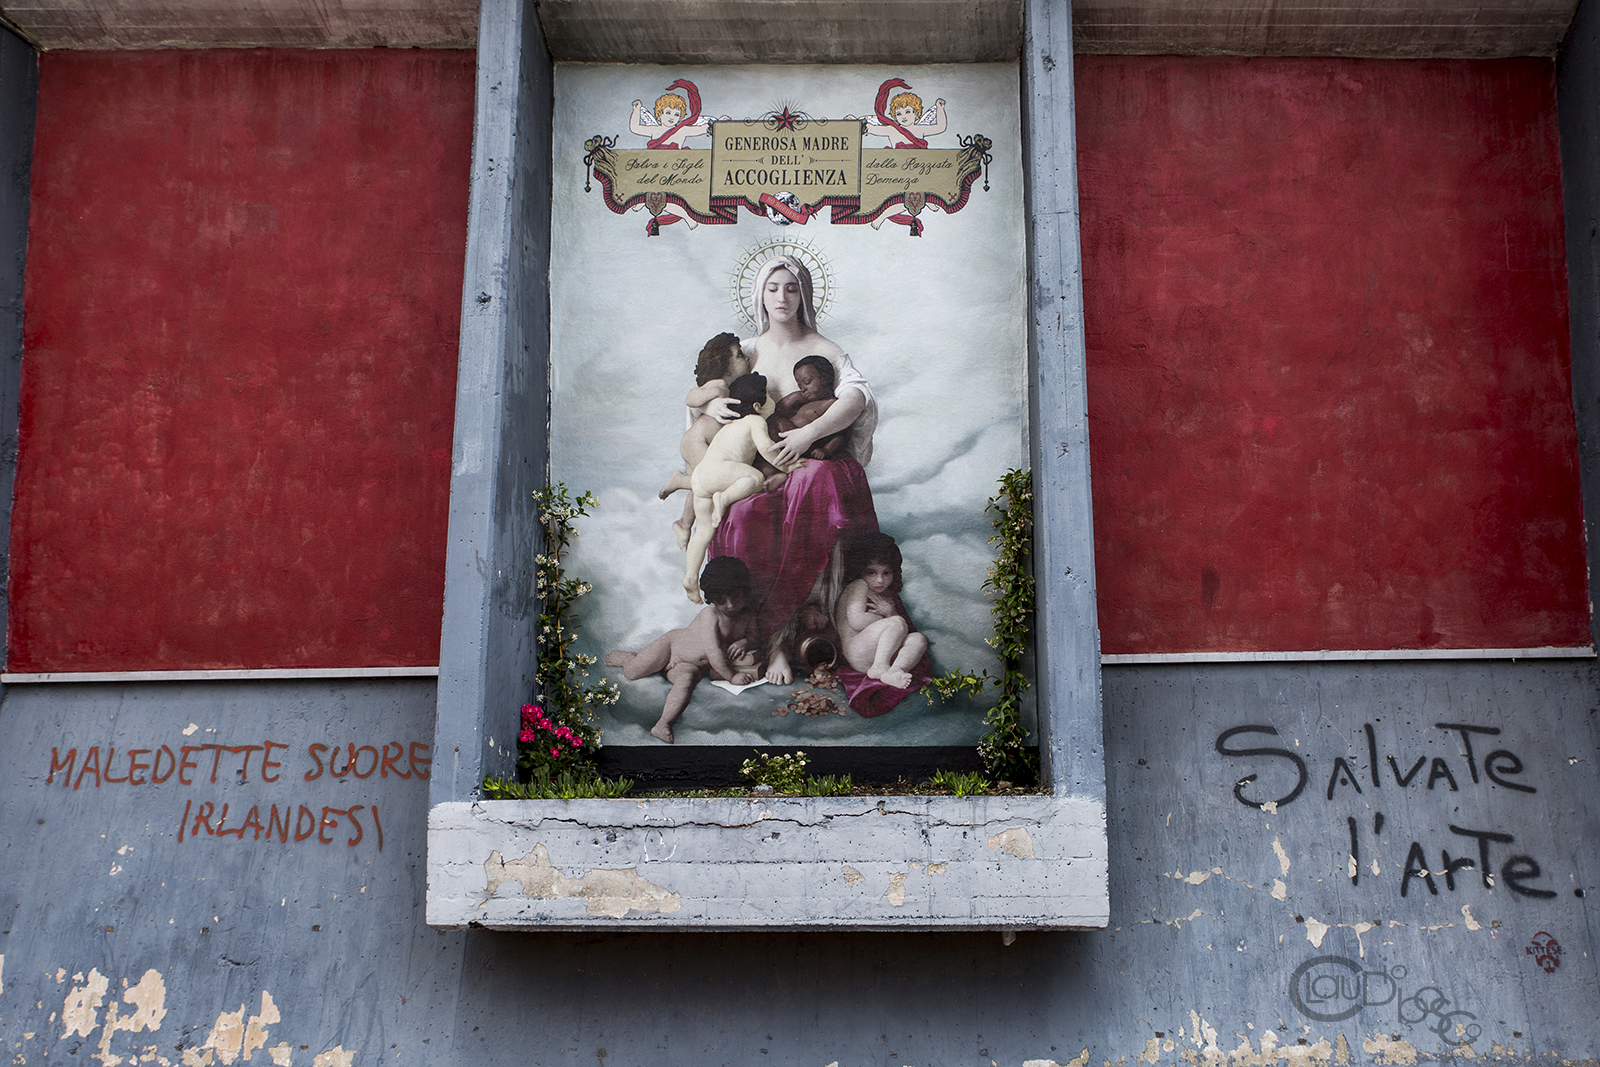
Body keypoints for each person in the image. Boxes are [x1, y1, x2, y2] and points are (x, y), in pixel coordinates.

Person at [703, 256, 880, 683]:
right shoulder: (744, 351)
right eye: (773, 288)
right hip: (760, 468)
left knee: (811, 481)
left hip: (818, 464)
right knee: (745, 513)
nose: (782, 297)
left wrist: (807, 435)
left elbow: (857, 398)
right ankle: (773, 642)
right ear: (760, 296)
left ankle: (799, 632)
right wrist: (711, 404)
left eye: (791, 288)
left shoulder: (827, 350)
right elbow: (705, 391)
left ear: (804, 295)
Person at [604, 557, 762, 744]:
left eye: (735, 597)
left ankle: (662, 725)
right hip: (671, 648)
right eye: (721, 600)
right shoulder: (710, 616)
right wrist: (732, 677)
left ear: (744, 591)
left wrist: (744, 642)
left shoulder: (748, 614)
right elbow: (713, 653)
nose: (730, 605)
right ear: (712, 599)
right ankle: (629, 658)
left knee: (686, 681)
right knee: (632, 672)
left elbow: (754, 639)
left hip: (689, 665)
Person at [682, 373, 802, 604]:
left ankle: (690, 576)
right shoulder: (755, 421)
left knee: (703, 531)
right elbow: (766, 449)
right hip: (720, 475)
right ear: (758, 405)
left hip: (701, 477)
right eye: (768, 395)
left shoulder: (728, 427)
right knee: (755, 477)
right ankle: (724, 498)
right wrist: (788, 467)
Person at [659, 332, 749, 549]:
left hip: (701, 443)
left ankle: (684, 523)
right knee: (707, 481)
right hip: (697, 441)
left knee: (698, 487)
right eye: (739, 355)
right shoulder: (718, 385)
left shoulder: (730, 387)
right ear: (726, 368)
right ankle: (678, 480)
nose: (746, 358)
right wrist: (705, 399)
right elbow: (691, 398)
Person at [833, 532, 928, 690]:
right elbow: (857, 621)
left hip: (880, 652)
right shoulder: (859, 585)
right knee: (896, 622)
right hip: (858, 653)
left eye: (886, 573)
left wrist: (889, 612)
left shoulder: (887, 594)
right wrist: (887, 617)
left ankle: (896, 670)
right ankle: (879, 667)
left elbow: (900, 630)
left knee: (918, 639)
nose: (880, 580)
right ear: (860, 571)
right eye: (872, 572)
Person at [768, 355, 850, 474]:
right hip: (782, 441)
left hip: (807, 446)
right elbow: (776, 410)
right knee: (775, 420)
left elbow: (841, 433)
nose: (803, 389)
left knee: (779, 422)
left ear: (824, 378)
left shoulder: (833, 404)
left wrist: (826, 450)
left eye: (807, 382)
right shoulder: (802, 400)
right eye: (800, 386)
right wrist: (793, 399)